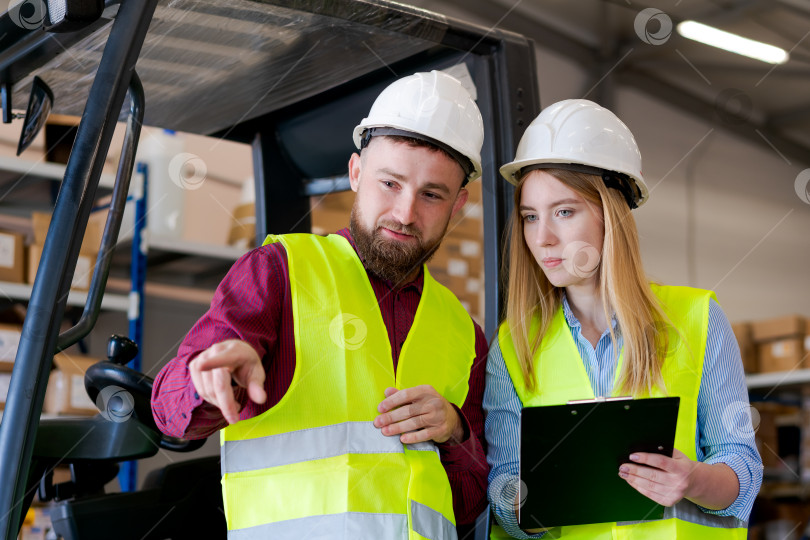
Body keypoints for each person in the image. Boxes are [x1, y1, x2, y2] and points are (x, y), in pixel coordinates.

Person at [151, 70, 490, 539]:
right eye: (389, 183)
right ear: (356, 173)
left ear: (458, 207)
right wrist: (209, 380)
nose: (405, 213)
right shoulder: (278, 273)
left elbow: (469, 506)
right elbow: (169, 413)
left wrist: (453, 431)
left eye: (432, 195)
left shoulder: (463, 331)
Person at [484, 99, 762, 539]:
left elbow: (742, 469)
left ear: (610, 215)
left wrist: (692, 480)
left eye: (564, 212)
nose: (543, 238)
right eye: (530, 217)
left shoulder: (698, 318)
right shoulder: (513, 345)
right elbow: (503, 493)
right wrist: (529, 496)